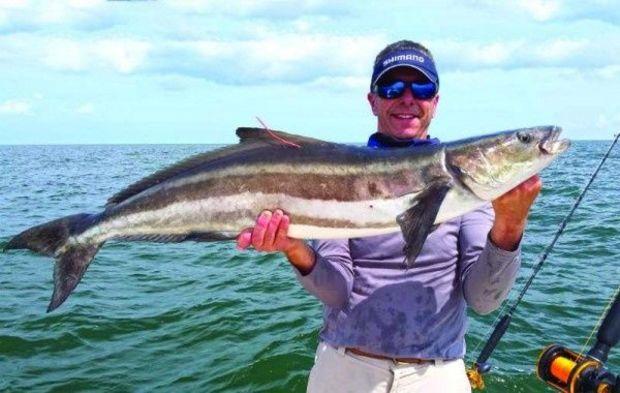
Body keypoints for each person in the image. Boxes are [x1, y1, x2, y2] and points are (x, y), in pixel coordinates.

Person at [236, 40, 542, 392]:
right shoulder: (339, 178)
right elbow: (336, 293)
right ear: (373, 100)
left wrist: (510, 226)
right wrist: (294, 248)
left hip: (435, 374)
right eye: (392, 87)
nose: (408, 98)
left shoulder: (470, 195)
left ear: (436, 102)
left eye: (422, 88)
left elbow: (484, 300)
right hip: (345, 368)